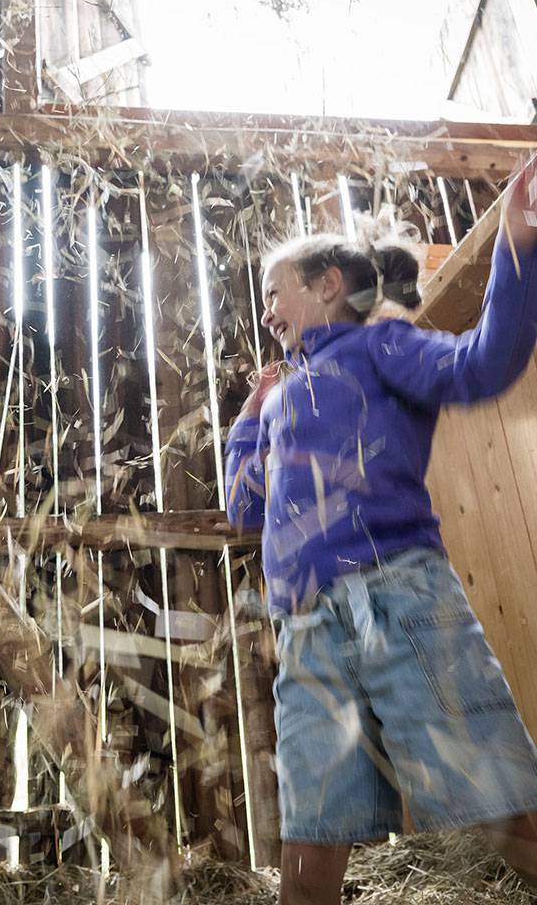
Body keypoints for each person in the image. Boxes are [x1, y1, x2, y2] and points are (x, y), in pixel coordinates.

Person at [225, 163, 537, 905]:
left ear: (329, 284)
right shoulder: (280, 403)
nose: (267, 312)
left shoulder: (380, 348)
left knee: (504, 812)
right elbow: (244, 506)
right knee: (309, 838)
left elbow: (482, 364)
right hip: (303, 631)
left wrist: (518, 248)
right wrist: (248, 412)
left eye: (276, 292)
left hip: (398, 598)